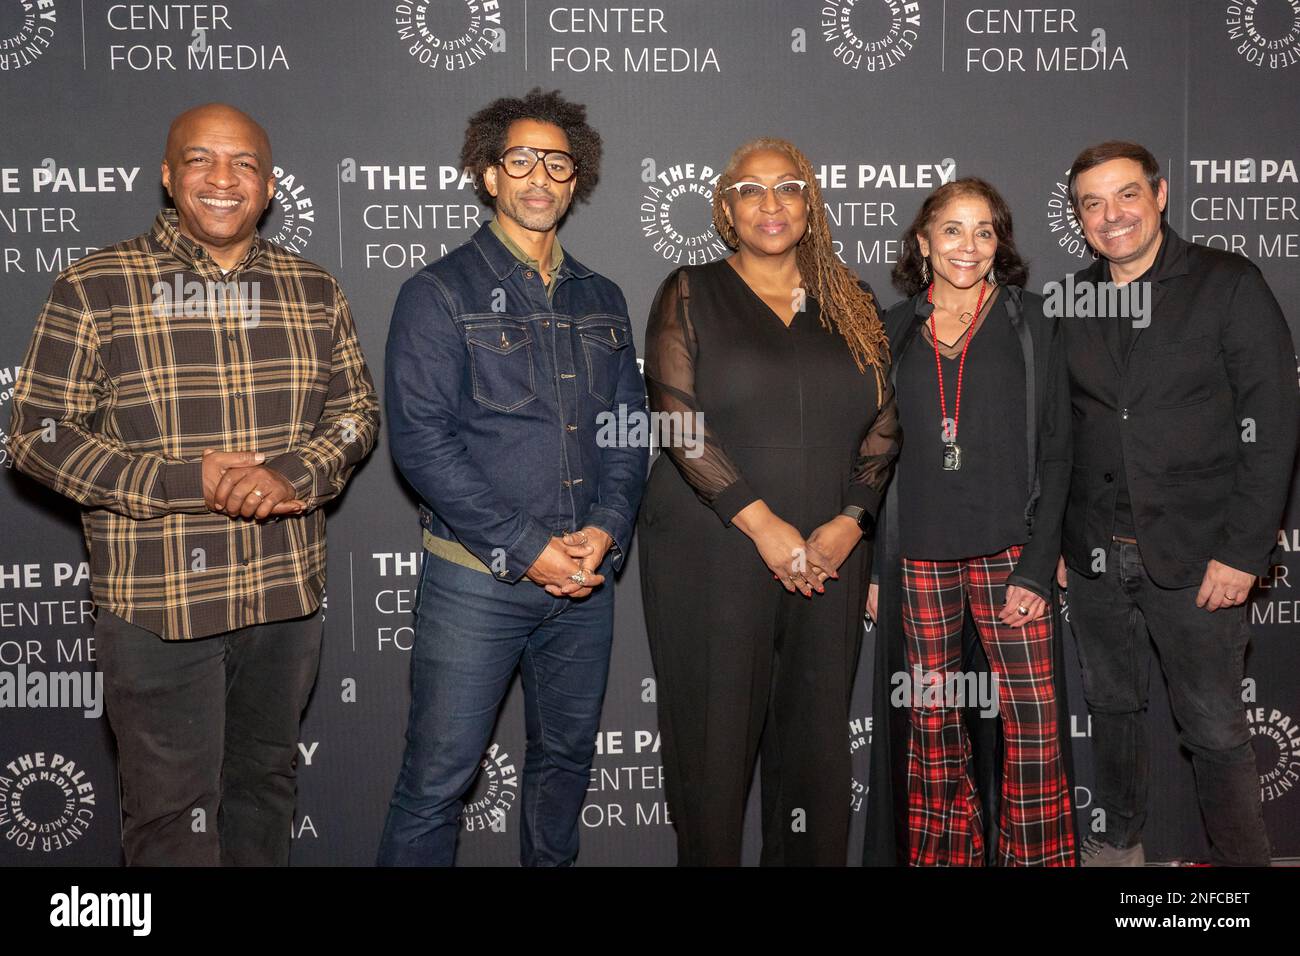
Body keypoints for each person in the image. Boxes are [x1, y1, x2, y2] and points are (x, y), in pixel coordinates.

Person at [8, 103, 380, 866]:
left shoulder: (314, 290)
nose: (222, 178)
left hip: (282, 598)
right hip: (157, 606)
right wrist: (183, 480)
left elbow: (356, 413)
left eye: (243, 163)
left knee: (263, 794)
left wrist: (296, 473)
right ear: (168, 176)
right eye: (201, 160)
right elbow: (36, 436)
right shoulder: (94, 287)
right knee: (170, 817)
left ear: (269, 186)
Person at [378, 89, 647, 867]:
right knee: (435, 786)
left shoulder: (604, 298)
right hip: (476, 585)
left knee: (563, 771)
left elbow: (628, 430)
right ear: (489, 175)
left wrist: (604, 531)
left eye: (556, 162)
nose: (539, 176)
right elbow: (423, 447)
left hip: (584, 586)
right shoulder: (438, 292)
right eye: (519, 159)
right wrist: (530, 548)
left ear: (575, 179)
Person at [638, 137, 899, 866]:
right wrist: (762, 524)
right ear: (726, 210)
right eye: (751, 190)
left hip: (829, 556)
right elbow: (677, 418)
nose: (770, 203)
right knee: (714, 755)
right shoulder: (690, 290)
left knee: (816, 751)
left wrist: (852, 521)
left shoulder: (851, 300)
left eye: (788, 187)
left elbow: (886, 422)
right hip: (713, 552)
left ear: (810, 205)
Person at [1060, 141, 1299, 866]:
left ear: (1160, 196)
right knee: (1112, 714)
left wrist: (1242, 552)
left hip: (1202, 560)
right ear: (1078, 218)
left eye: (1126, 195)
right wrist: (1065, 549)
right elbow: (1063, 430)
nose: (1112, 215)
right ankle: (1118, 853)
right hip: (1098, 559)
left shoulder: (1228, 282)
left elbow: (1275, 426)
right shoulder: (1075, 297)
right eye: (1093, 204)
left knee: (1217, 732)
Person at [863, 178, 1076, 866]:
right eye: (952, 230)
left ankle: (1035, 859)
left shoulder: (1033, 322)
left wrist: (1039, 564)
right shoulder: (889, 330)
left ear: (1000, 245)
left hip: (1011, 552)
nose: (968, 245)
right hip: (917, 556)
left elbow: (1059, 447)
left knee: (1036, 724)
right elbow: (866, 455)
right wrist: (873, 568)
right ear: (922, 242)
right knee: (931, 725)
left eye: (984, 231)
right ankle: (944, 858)